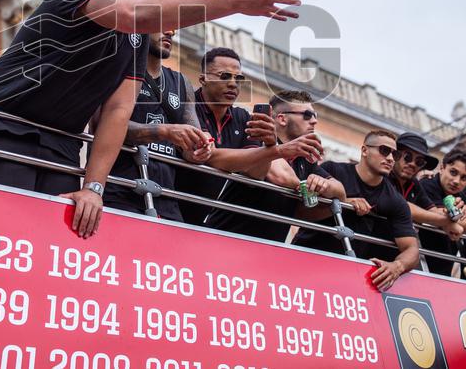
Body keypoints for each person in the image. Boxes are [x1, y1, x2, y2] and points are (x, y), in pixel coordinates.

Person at [0, 0, 300, 238]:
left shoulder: (136, 41)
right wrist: (235, 0)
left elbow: (118, 111)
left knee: (43, 251)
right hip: (5, 127)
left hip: (62, 148)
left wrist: (93, 188)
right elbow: (134, 12)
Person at [173, 49, 321, 226]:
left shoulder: (243, 117)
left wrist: (268, 146)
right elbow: (206, 156)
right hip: (171, 208)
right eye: (225, 76)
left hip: (208, 223)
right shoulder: (188, 105)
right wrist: (276, 150)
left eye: (239, 79)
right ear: (203, 78)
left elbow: (257, 173)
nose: (233, 84)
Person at [204, 89, 344, 242]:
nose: (314, 121)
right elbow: (280, 175)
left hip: (266, 252)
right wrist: (309, 187)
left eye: (315, 116)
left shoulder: (304, 159)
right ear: (282, 119)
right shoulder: (258, 137)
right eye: (307, 115)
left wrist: (323, 185)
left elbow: (340, 191)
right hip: (222, 240)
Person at [101, 30, 213, 220]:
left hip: (167, 199)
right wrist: (163, 131)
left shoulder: (181, 82)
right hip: (120, 190)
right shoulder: (119, 68)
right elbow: (106, 126)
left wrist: (201, 148)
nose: (171, 31)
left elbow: (191, 143)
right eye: (162, 24)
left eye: (173, 26)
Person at [293, 130, 420, 292]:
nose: (389, 158)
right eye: (384, 150)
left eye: (394, 155)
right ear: (365, 150)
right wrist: (343, 202)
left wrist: (396, 266)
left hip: (348, 277)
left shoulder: (395, 200)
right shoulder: (332, 170)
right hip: (305, 260)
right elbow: (300, 212)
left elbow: (412, 249)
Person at [390, 133, 466, 246]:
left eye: (419, 161)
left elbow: (432, 210)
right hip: (368, 247)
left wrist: (450, 213)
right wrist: (445, 221)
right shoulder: (384, 175)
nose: (412, 164)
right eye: (407, 157)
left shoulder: (414, 184)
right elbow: (401, 205)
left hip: (396, 252)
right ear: (395, 155)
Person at [418, 149, 466, 276]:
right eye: (453, 172)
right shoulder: (426, 185)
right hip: (420, 261)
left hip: (445, 262)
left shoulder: (461, 196)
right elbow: (439, 215)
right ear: (442, 167)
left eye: (464, 178)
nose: (456, 181)